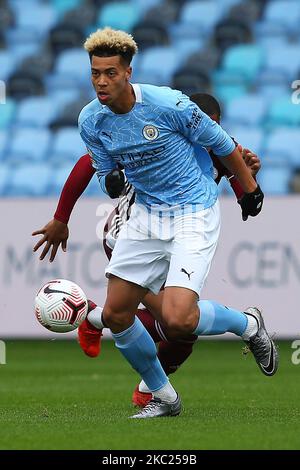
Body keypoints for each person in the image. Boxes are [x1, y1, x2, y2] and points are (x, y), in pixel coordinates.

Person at [33, 27, 278, 419]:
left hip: (192, 214)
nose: (101, 81)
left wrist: (247, 188)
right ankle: (163, 395)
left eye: (110, 72)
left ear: (128, 72)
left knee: (179, 319)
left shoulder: (168, 105)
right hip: (145, 217)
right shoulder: (90, 120)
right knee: (117, 315)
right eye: (95, 73)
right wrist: (104, 182)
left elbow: (221, 141)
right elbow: (100, 167)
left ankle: (248, 323)